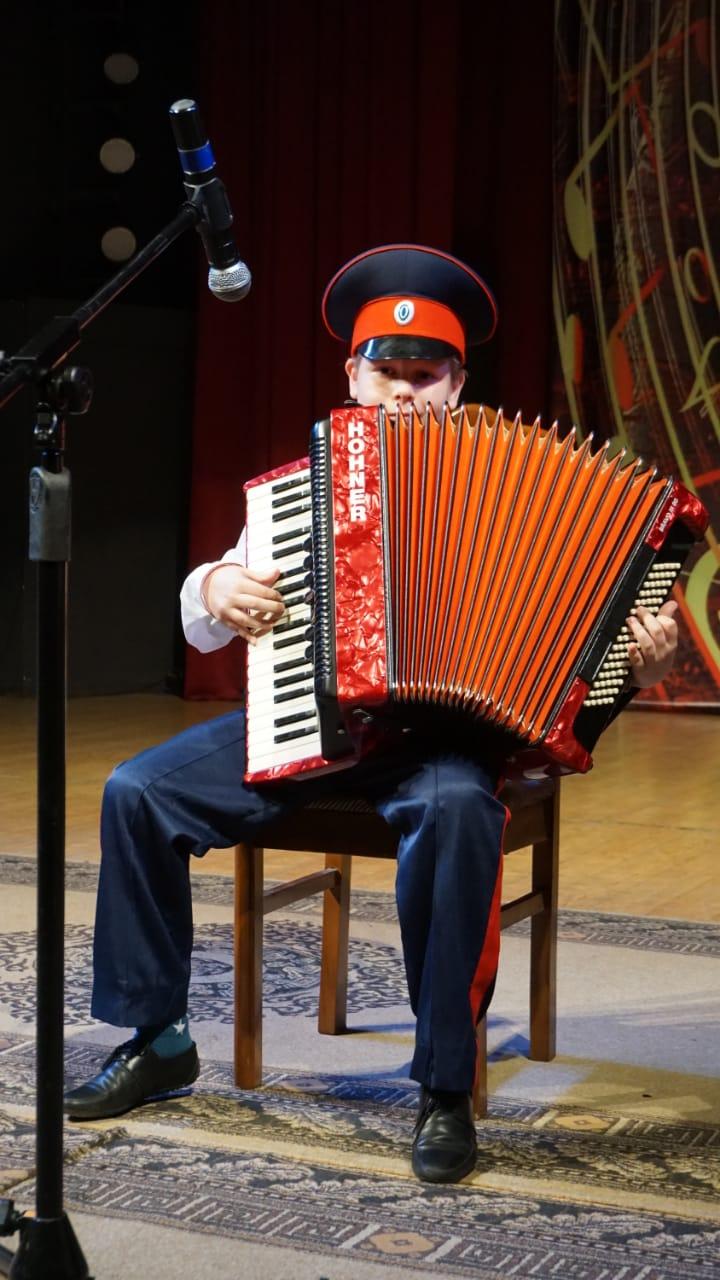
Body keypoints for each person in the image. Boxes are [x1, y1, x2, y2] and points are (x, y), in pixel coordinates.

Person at [64, 244, 679, 1183]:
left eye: (421, 375)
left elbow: (595, 646)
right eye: (382, 373)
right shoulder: (305, 487)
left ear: (456, 383)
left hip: (446, 741)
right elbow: (212, 605)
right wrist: (218, 583)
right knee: (137, 791)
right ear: (351, 375)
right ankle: (158, 1038)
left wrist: (641, 661)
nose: (400, 392)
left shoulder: (509, 480)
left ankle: (441, 1086)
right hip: (310, 721)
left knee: (459, 810)